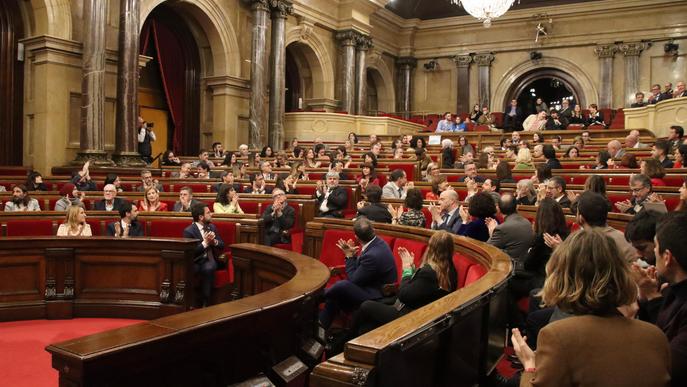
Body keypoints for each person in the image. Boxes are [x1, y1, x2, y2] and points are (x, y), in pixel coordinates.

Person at [511, 228, 671, 387]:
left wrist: (530, 364)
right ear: (621, 272)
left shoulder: (557, 336)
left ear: (560, 275)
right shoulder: (656, 336)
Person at [352, 231, 458, 335]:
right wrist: (412, 269)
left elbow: (404, 295)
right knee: (367, 325)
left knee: (366, 306)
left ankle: (344, 340)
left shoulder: (429, 273)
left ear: (431, 249)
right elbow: (420, 288)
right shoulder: (450, 270)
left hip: (409, 317)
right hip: (418, 311)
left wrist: (406, 270)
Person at [634, 212, 687, 386]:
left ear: (667, 257)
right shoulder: (672, 287)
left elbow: (663, 366)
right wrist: (648, 296)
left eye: (656, 247)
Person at [319, 217, 397, 329]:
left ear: (356, 237)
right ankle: (321, 327)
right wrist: (353, 257)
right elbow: (361, 271)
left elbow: (354, 279)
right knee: (336, 294)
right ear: (373, 230)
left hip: (378, 294)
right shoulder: (376, 242)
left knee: (342, 286)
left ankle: (319, 297)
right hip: (369, 284)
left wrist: (349, 256)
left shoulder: (373, 254)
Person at [515, 198, 569, 297]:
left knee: (507, 283)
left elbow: (528, 265)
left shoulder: (542, 237)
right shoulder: (566, 234)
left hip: (543, 281)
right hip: (555, 279)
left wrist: (533, 240)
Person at [183, 203, 225, 307]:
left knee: (208, 268)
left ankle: (206, 302)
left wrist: (213, 242)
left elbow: (222, 245)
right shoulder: (189, 231)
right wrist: (205, 243)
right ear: (201, 217)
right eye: (208, 213)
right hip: (196, 260)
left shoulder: (212, 227)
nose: (211, 214)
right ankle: (190, 302)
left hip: (210, 260)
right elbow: (191, 252)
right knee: (192, 269)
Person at [486, 193, 534, 266]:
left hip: (511, 268)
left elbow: (487, 249)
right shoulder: (526, 221)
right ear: (516, 207)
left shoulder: (501, 229)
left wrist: (492, 232)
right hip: (524, 264)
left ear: (498, 208)